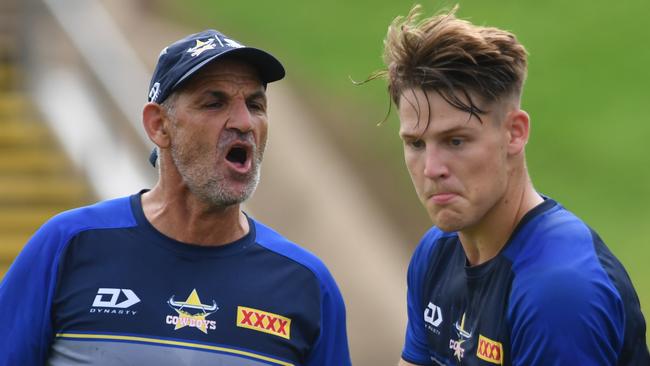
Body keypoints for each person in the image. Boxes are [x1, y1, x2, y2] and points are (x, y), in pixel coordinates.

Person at [0, 29, 351, 366]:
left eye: (256, 105)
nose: (244, 122)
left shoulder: (306, 284)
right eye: (215, 103)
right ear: (158, 126)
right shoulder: (67, 246)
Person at [376, 5, 650, 365]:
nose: (432, 169)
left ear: (514, 133)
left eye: (456, 141)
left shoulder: (559, 292)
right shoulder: (436, 254)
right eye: (415, 144)